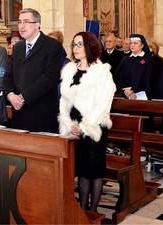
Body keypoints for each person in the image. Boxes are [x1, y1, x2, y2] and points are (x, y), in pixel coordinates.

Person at [57, 31, 115, 212]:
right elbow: (63, 102)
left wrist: (84, 127)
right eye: (74, 44)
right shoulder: (70, 70)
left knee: (94, 172)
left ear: (90, 46)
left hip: (93, 127)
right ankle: (81, 211)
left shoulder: (102, 72)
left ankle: (92, 211)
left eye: (80, 44)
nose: (76, 48)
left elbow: (103, 104)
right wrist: (68, 124)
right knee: (81, 171)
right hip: (73, 128)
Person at [4, 8, 67, 133]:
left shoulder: (52, 46)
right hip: (19, 114)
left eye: (26, 21)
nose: (22, 26)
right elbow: (8, 75)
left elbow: (49, 78)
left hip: (41, 114)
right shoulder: (18, 47)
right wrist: (10, 95)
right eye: (20, 22)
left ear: (37, 25)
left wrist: (22, 97)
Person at [116, 34, 159, 99]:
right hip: (125, 94)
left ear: (142, 45)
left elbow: (149, 79)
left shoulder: (149, 60)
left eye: (135, 43)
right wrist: (125, 90)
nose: (132, 45)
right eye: (131, 43)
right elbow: (118, 76)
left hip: (143, 95)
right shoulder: (125, 59)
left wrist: (133, 90)